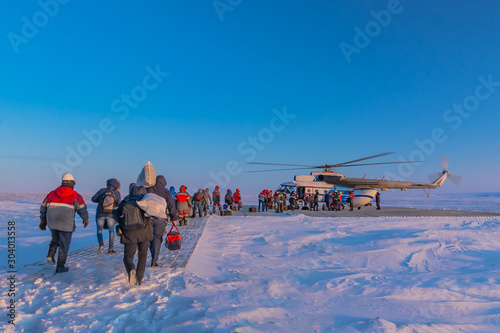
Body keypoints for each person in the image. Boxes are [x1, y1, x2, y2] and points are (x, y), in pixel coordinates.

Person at [39, 173, 89, 273]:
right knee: (64, 245)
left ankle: (50, 255)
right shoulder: (75, 195)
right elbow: (82, 208)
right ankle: (60, 267)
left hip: (52, 221)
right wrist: (85, 219)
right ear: (71, 183)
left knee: (55, 238)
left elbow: (43, 207)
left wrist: (43, 220)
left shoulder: (51, 194)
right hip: (65, 222)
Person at [114, 184, 151, 285]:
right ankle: (139, 278)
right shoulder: (146, 203)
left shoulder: (125, 202)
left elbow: (115, 215)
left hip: (129, 234)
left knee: (128, 256)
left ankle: (131, 270)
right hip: (144, 233)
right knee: (142, 255)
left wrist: (123, 223)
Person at [146, 175, 178, 268]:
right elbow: (171, 205)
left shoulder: (148, 189)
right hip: (160, 219)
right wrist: (174, 218)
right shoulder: (166, 191)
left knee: (149, 238)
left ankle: (153, 255)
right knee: (157, 237)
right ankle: (154, 260)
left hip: (148, 218)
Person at [91, 178, 121, 255]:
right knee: (111, 232)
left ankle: (101, 245)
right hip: (110, 215)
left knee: (99, 231)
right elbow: (118, 204)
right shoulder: (117, 193)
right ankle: (110, 249)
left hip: (100, 214)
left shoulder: (102, 190)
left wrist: (100, 200)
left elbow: (93, 199)